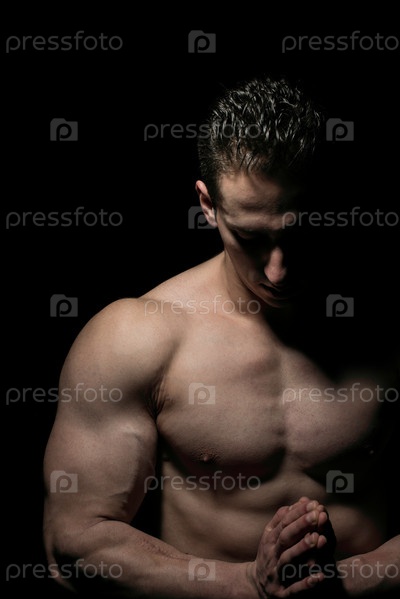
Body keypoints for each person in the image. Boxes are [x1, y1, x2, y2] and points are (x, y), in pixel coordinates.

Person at [43, 75, 399, 598]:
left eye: (300, 232)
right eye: (251, 237)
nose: (277, 270)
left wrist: (344, 584)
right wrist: (247, 585)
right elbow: (75, 542)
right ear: (208, 204)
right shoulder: (136, 337)